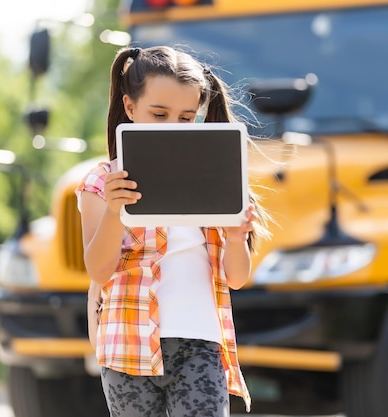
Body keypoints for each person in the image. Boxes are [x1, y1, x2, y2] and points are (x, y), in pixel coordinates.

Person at [75, 45, 271, 417]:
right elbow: (99, 271)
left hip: (200, 346)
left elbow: (238, 278)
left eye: (185, 118)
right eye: (159, 114)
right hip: (126, 347)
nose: (172, 127)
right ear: (130, 108)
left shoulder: (217, 181)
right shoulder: (102, 182)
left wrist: (233, 237)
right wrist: (116, 211)